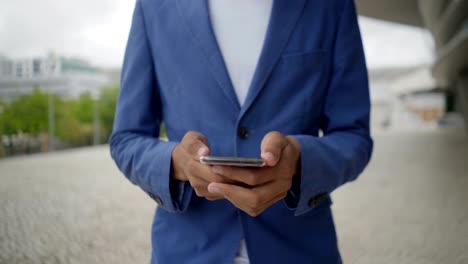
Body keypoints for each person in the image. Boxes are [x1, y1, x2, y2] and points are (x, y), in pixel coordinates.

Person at [110, 0, 373, 263]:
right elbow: (126, 138)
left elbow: (354, 136)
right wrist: (177, 163)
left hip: (300, 249)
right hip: (186, 250)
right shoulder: (154, 6)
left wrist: (299, 161)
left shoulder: (330, 6)